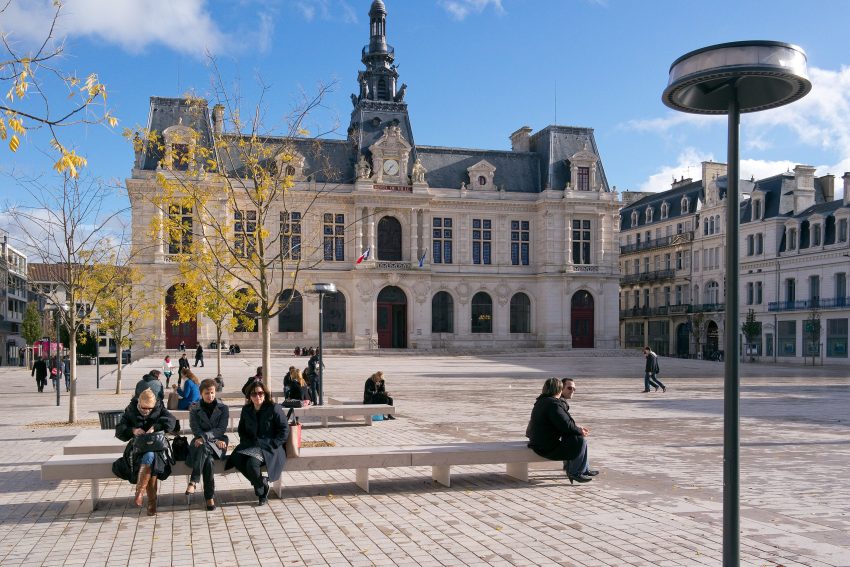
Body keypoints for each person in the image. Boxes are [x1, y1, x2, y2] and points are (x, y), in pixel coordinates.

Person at [113, 388, 177, 515]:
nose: (146, 411)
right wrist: (133, 430)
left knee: (151, 457)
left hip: (157, 449)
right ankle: (151, 503)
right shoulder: (131, 410)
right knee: (151, 461)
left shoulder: (159, 408)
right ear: (139, 404)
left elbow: (172, 423)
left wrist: (156, 427)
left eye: (149, 409)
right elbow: (120, 430)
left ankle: (140, 492)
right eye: (143, 408)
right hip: (136, 450)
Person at [225, 381, 289, 506]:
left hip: (270, 446)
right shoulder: (246, 409)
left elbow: (284, 430)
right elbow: (241, 430)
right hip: (252, 445)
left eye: (260, 393)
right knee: (236, 458)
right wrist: (246, 442)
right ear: (249, 396)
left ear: (265, 394)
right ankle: (262, 483)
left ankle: (261, 493)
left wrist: (275, 444)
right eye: (254, 394)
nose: (257, 396)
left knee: (251, 464)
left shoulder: (274, 408)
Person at [526, 377, 594, 484]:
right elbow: (566, 425)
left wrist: (577, 430)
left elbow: (564, 424)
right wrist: (579, 430)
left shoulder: (542, 401)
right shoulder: (553, 404)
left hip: (539, 442)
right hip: (545, 447)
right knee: (579, 440)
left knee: (576, 437)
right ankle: (574, 472)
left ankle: (581, 470)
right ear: (559, 390)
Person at [186, 378, 229, 511]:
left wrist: (206, 438)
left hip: (218, 443)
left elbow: (221, 429)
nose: (210, 396)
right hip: (199, 443)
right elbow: (195, 429)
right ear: (201, 394)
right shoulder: (194, 409)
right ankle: (209, 498)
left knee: (206, 450)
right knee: (208, 460)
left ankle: (193, 481)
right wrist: (205, 439)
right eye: (206, 393)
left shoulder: (223, 408)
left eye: (212, 392)